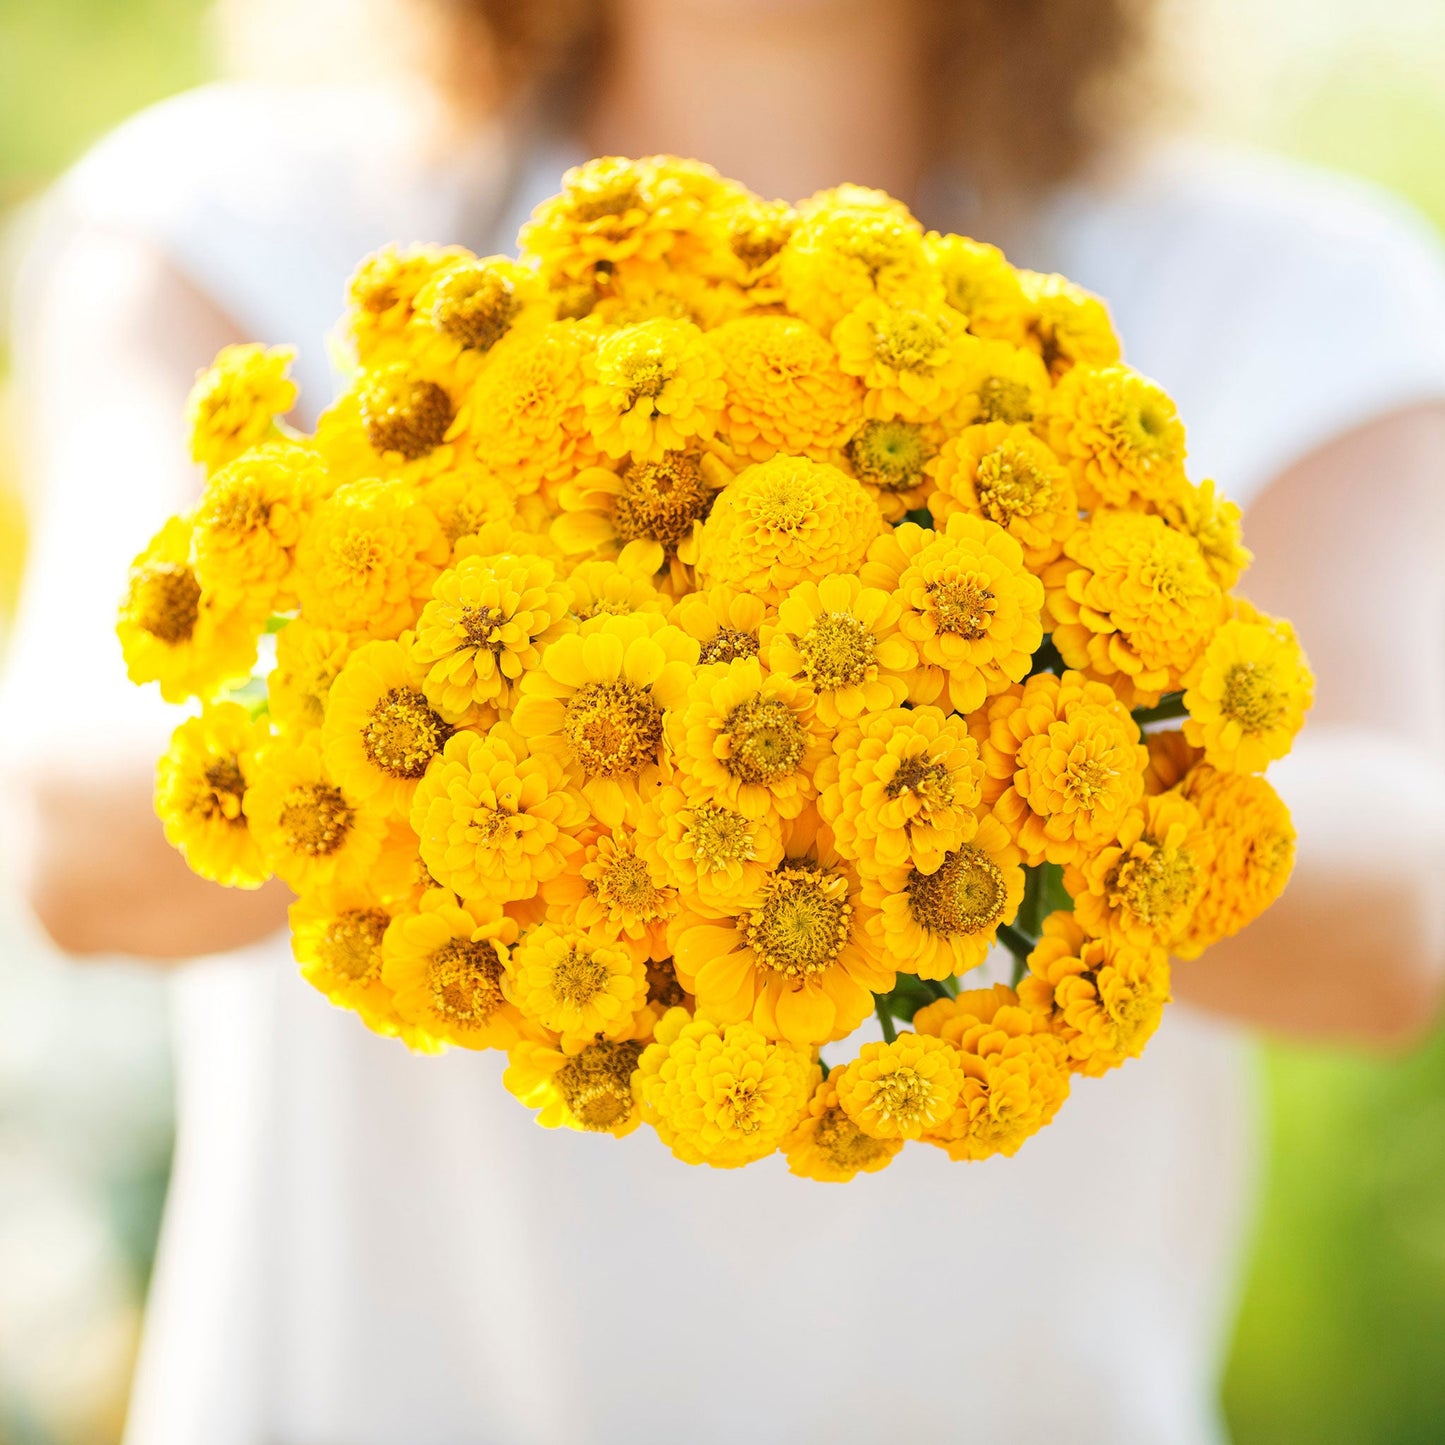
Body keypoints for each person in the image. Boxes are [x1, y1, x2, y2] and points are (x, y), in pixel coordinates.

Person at [5, 1, 1445, 1440]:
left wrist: (980, 764)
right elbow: (80, 829)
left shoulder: (1300, 290)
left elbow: (1394, 919)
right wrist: (544, 739)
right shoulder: (233, 216)